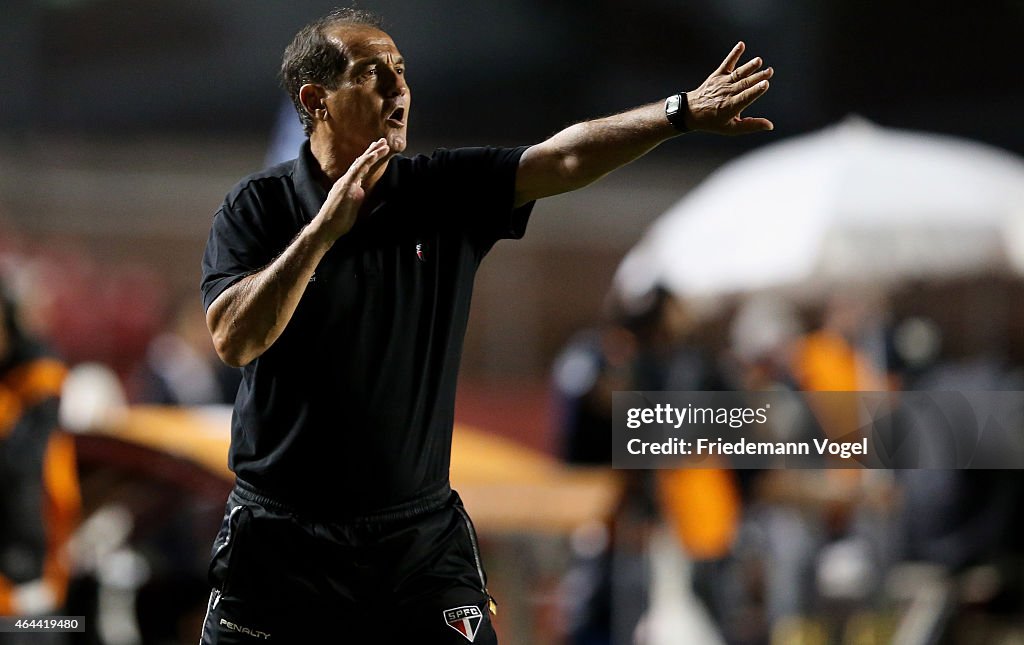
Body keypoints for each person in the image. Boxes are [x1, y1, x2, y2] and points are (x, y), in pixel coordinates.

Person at [199, 8, 773, 643]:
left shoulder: (440, 190)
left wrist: (679, 113)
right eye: (371, 75)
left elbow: (565, 158)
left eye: (401, 72)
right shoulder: (255, 208)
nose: (398, 90)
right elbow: (234, 339)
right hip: (282, 542)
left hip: (415, 543)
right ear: (316, 99)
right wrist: (321, 236)